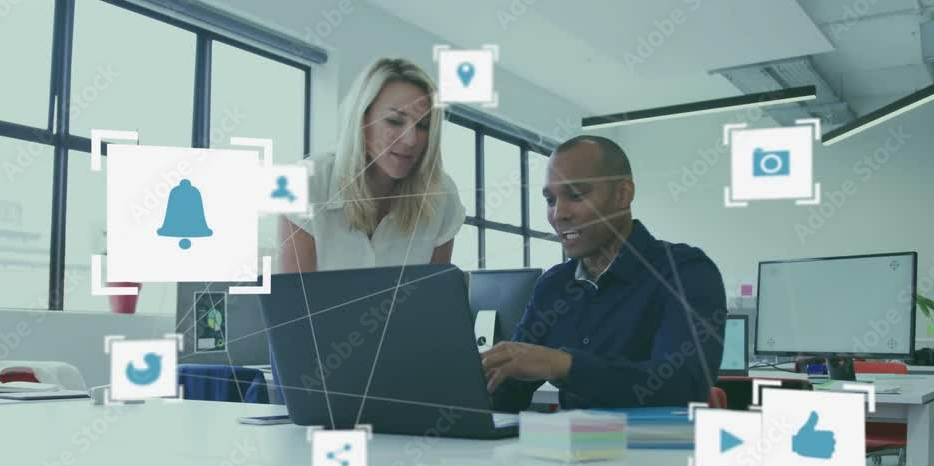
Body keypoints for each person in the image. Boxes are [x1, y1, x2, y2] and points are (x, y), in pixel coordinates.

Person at [482, 135, 726, 410]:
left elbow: (682, 386)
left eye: (576, 195)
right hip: (569, 438)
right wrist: (471, 378)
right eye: (550, 200)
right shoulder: (553, 285)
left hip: (647, 439)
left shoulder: (686, 272)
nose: (558, 214)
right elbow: (508, 390)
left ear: (622, 194)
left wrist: (564, 365)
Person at [279, 58, 465, 272]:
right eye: (394, 121)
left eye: (423, 125)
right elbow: (295, 293)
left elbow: (434, 290)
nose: (411, 139)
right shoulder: (304, 184)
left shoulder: (442, 195)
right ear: (362, 119)